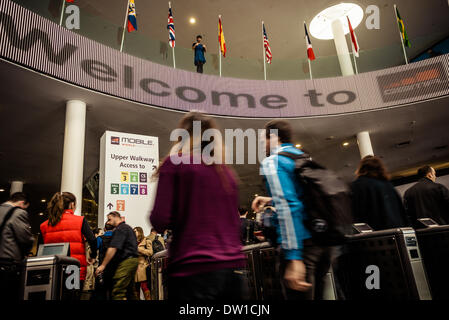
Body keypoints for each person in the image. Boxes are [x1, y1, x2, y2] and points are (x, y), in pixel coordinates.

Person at [150, 111, 246, 301]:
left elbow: (160, 219)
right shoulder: (226, 172)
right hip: (234, 269)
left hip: (193, 268)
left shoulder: (175, 164)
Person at [253, 119, 336, 300]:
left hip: (302, 246)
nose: (261, 145)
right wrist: (270, 199)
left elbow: (288, 207)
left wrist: (293, 257)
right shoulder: (302, 156)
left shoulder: (273, 162)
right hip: (322, 243)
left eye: (262, 140)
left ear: (274, 137)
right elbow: (302, 198)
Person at [40, 192, 97, 287]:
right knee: (72, 295)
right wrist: (93, 256)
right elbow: (92, 239)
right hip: (73, 269)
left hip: (52, 269)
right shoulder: (80, 221)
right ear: (72, 204)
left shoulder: (44, 225)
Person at [350, 156, 409, 230]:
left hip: (376, 234)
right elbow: (401, 211)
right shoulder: (388, 185)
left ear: (361, 168)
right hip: (398, 230)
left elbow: (356, 213)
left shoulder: (358, 185)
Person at [96, 211, 139, 300]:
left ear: (116, 217)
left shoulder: (120, 229)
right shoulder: (128, 228)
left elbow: (113, 248)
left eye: (109, 219)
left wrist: (103, 265)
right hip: (132, 261)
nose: (108, 222)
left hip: (127, 262)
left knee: (118, 291)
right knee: (130, 292)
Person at [0, 192, 34, 301]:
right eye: (25, 207)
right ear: (21, 203)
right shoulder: (18, 213)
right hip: (8, 264)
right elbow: (26, 239)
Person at [93, 222, 115, 300]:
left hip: (102, 269)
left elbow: (94, 250)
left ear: (105, 229)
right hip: (115, 269)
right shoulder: (117, 239)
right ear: (114, 229)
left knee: (101, 293)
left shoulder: (100, 238)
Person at [133, 226, 152, 300]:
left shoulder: (147, 240)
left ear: (139, 232)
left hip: (142, 267)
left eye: (135, 231)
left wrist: (139, 249)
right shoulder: (132, 241)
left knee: (144, 287)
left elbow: (150, 252)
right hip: (134, 267)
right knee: (135, 288)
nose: (133, 233)